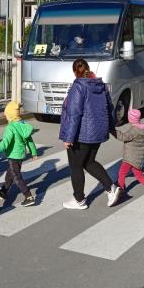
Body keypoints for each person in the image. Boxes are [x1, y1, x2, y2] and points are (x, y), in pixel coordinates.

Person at [59, 58, 119, 210]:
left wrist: (68, 137)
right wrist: (111, 127)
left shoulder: (79, 86)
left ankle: (79, 200)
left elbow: (74, 114)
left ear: (75, 72)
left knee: (75, 166)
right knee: (89, 162)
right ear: (88, 68)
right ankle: (110, 187)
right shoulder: (100, 85)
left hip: (82, 134)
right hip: (97, 132)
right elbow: (110, 107)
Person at [0, 101, 38, 207]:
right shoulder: (23, 125)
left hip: (13, 155)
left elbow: (5, 141)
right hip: (20, 155)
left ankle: (28, 196)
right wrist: (33, 152)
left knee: (16, 177)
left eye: (6, 116)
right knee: (10, 174)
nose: (6, 118)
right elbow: (29, 140)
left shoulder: (10, 127)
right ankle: (3, 191)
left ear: (10, 116)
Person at [111, 108, 144, 201]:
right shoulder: (143, 127)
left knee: (121, 172)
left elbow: (123, 137)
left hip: (130, 157)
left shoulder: (134, 130)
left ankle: (121, 190)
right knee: (138, 175)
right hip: (138, 157)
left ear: (131, 119)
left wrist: (113, 131)